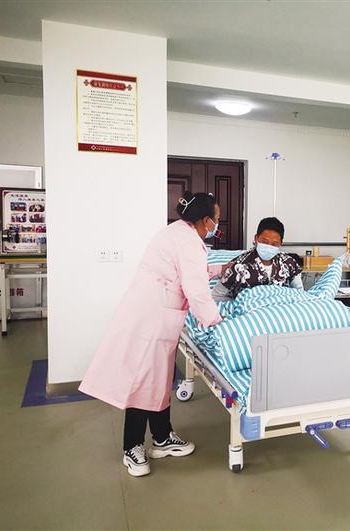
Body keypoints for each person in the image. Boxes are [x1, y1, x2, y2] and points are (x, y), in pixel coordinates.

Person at [79, 192, 224, 477]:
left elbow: (187, 272)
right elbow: (195, 289)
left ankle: (162, 437)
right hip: (151, 318)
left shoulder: (178, 232)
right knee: (143, 380)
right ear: (205, 220)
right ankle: (132, 447)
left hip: (156, 314)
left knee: (159, 379)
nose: (217, 224)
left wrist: (221, 269)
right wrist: (215, 320)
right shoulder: (188, 242)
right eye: (216, 219)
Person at [213, 217, 303, 300]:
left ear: (281, 243)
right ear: (256, 238)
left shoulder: (289, 263)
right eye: (265, 242)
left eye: (274, 244)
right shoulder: (238, 266)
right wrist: (236, 306)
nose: (269, 246)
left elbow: (299, 294)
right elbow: (217, 296)